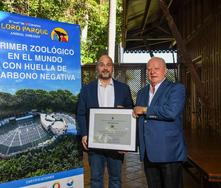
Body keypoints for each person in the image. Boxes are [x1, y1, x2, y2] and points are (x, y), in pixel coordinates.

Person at [77, 54, 133, 188]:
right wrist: (84, 134)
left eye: (108, 64)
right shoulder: (86, 89)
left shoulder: (123, 89)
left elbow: (131, 113)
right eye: (102, 64)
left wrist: (127, 142)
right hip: (95, 142)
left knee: (116, 179)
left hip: (116, 143)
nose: (105, 68)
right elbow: (80, 113)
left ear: (112, 68)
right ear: (97, 68)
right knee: (95, 179)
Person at [133, 57, 187, 188]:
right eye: (149, 69)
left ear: (165, 71)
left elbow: (171, 112)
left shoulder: (176, 89)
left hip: (169, 152)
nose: (152, 72)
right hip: (148, 154)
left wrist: (145, 110)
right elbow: (138, 119)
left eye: (156, 68)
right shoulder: (141, 93)